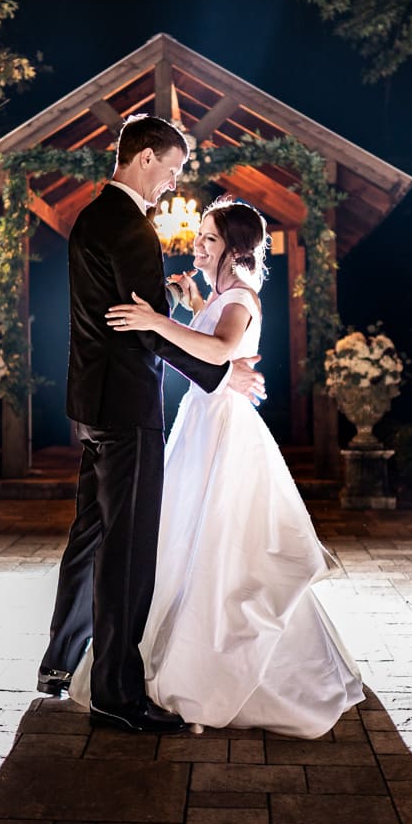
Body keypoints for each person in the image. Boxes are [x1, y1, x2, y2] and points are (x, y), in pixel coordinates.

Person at [68, 196, 364, 739]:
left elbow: (221, 348)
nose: (196, 245)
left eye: (207, 238)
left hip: (223, 432)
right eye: (199, 236)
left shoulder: (242, 298)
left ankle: (231, 671)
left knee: (222, 547)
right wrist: (188, 300)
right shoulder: (223, 294)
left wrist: (159, 320)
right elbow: (213, 350)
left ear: (234, 248)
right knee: (183, 540)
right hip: (201, 423)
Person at [36, 115, 266, 735]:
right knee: (129, 550)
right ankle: (116, 691)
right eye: (171, 169)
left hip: (90, 402)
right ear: (142, 158)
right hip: (127, 407)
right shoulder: (132, 230)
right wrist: (224, 375)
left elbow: (134, 321)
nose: (172, 184)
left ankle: (59, 662)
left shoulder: (90, 218)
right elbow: (146, 325)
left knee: (89, 535)